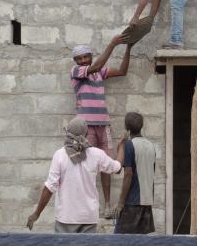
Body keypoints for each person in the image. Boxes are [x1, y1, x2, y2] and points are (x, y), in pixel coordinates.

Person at [26, 118, 122, 233]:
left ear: (68, 133)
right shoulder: (97, 154)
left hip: (66, 218)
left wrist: (36, 213)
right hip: (88, 218)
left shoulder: (60, 155)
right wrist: (122, 146)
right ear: (86, 134)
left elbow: (50, 187)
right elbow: (118, 168)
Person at [70, 34, 131, 216]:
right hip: (86, 127)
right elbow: (96, 66)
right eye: (79, 58)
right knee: (86, 165)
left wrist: (129, 48)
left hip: (103, 126)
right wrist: (112, 44)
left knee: (106, 165)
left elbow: (122, 71)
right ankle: (87, 205)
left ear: (90, 56)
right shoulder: (76, 71)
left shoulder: (99, 73)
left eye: (85, 57)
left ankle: (106, 205)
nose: (83, 61)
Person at [114, 112, 156, 234]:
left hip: (132, 202)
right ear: (141, 126)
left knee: (120, 242)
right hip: (147, 202)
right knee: (141, 243)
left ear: (126, 127)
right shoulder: (151, 145)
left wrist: (121, 202)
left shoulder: (129, 145)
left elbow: (127, 173)